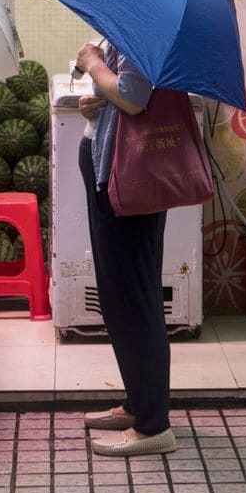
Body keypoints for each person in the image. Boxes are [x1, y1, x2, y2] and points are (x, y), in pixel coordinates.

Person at [76, 38, 177, 457]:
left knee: (134, 299)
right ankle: (138, 404)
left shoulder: (142, 23)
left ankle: (154, 425)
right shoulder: (129, 23)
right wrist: (97, 100)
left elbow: (135, 98)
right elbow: (125, 94)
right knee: (121, 297)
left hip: (128, 181)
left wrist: (94, 63)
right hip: (113, 174)